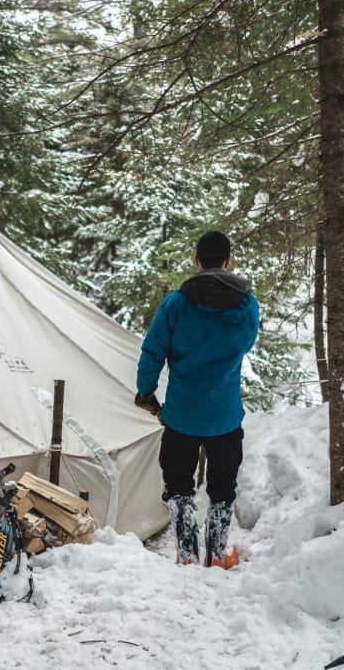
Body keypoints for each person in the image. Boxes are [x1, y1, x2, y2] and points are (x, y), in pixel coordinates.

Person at [134, 231, 259, 568]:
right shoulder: (247, 304)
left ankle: (187, 552)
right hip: (225, 415)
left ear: (196, 260)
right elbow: (245, 344)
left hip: (181, 415)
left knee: (177, 485)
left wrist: (146, 394)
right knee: (222, 487)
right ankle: (218, 554)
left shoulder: (176, 302)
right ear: (228, 261)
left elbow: (152, 352)